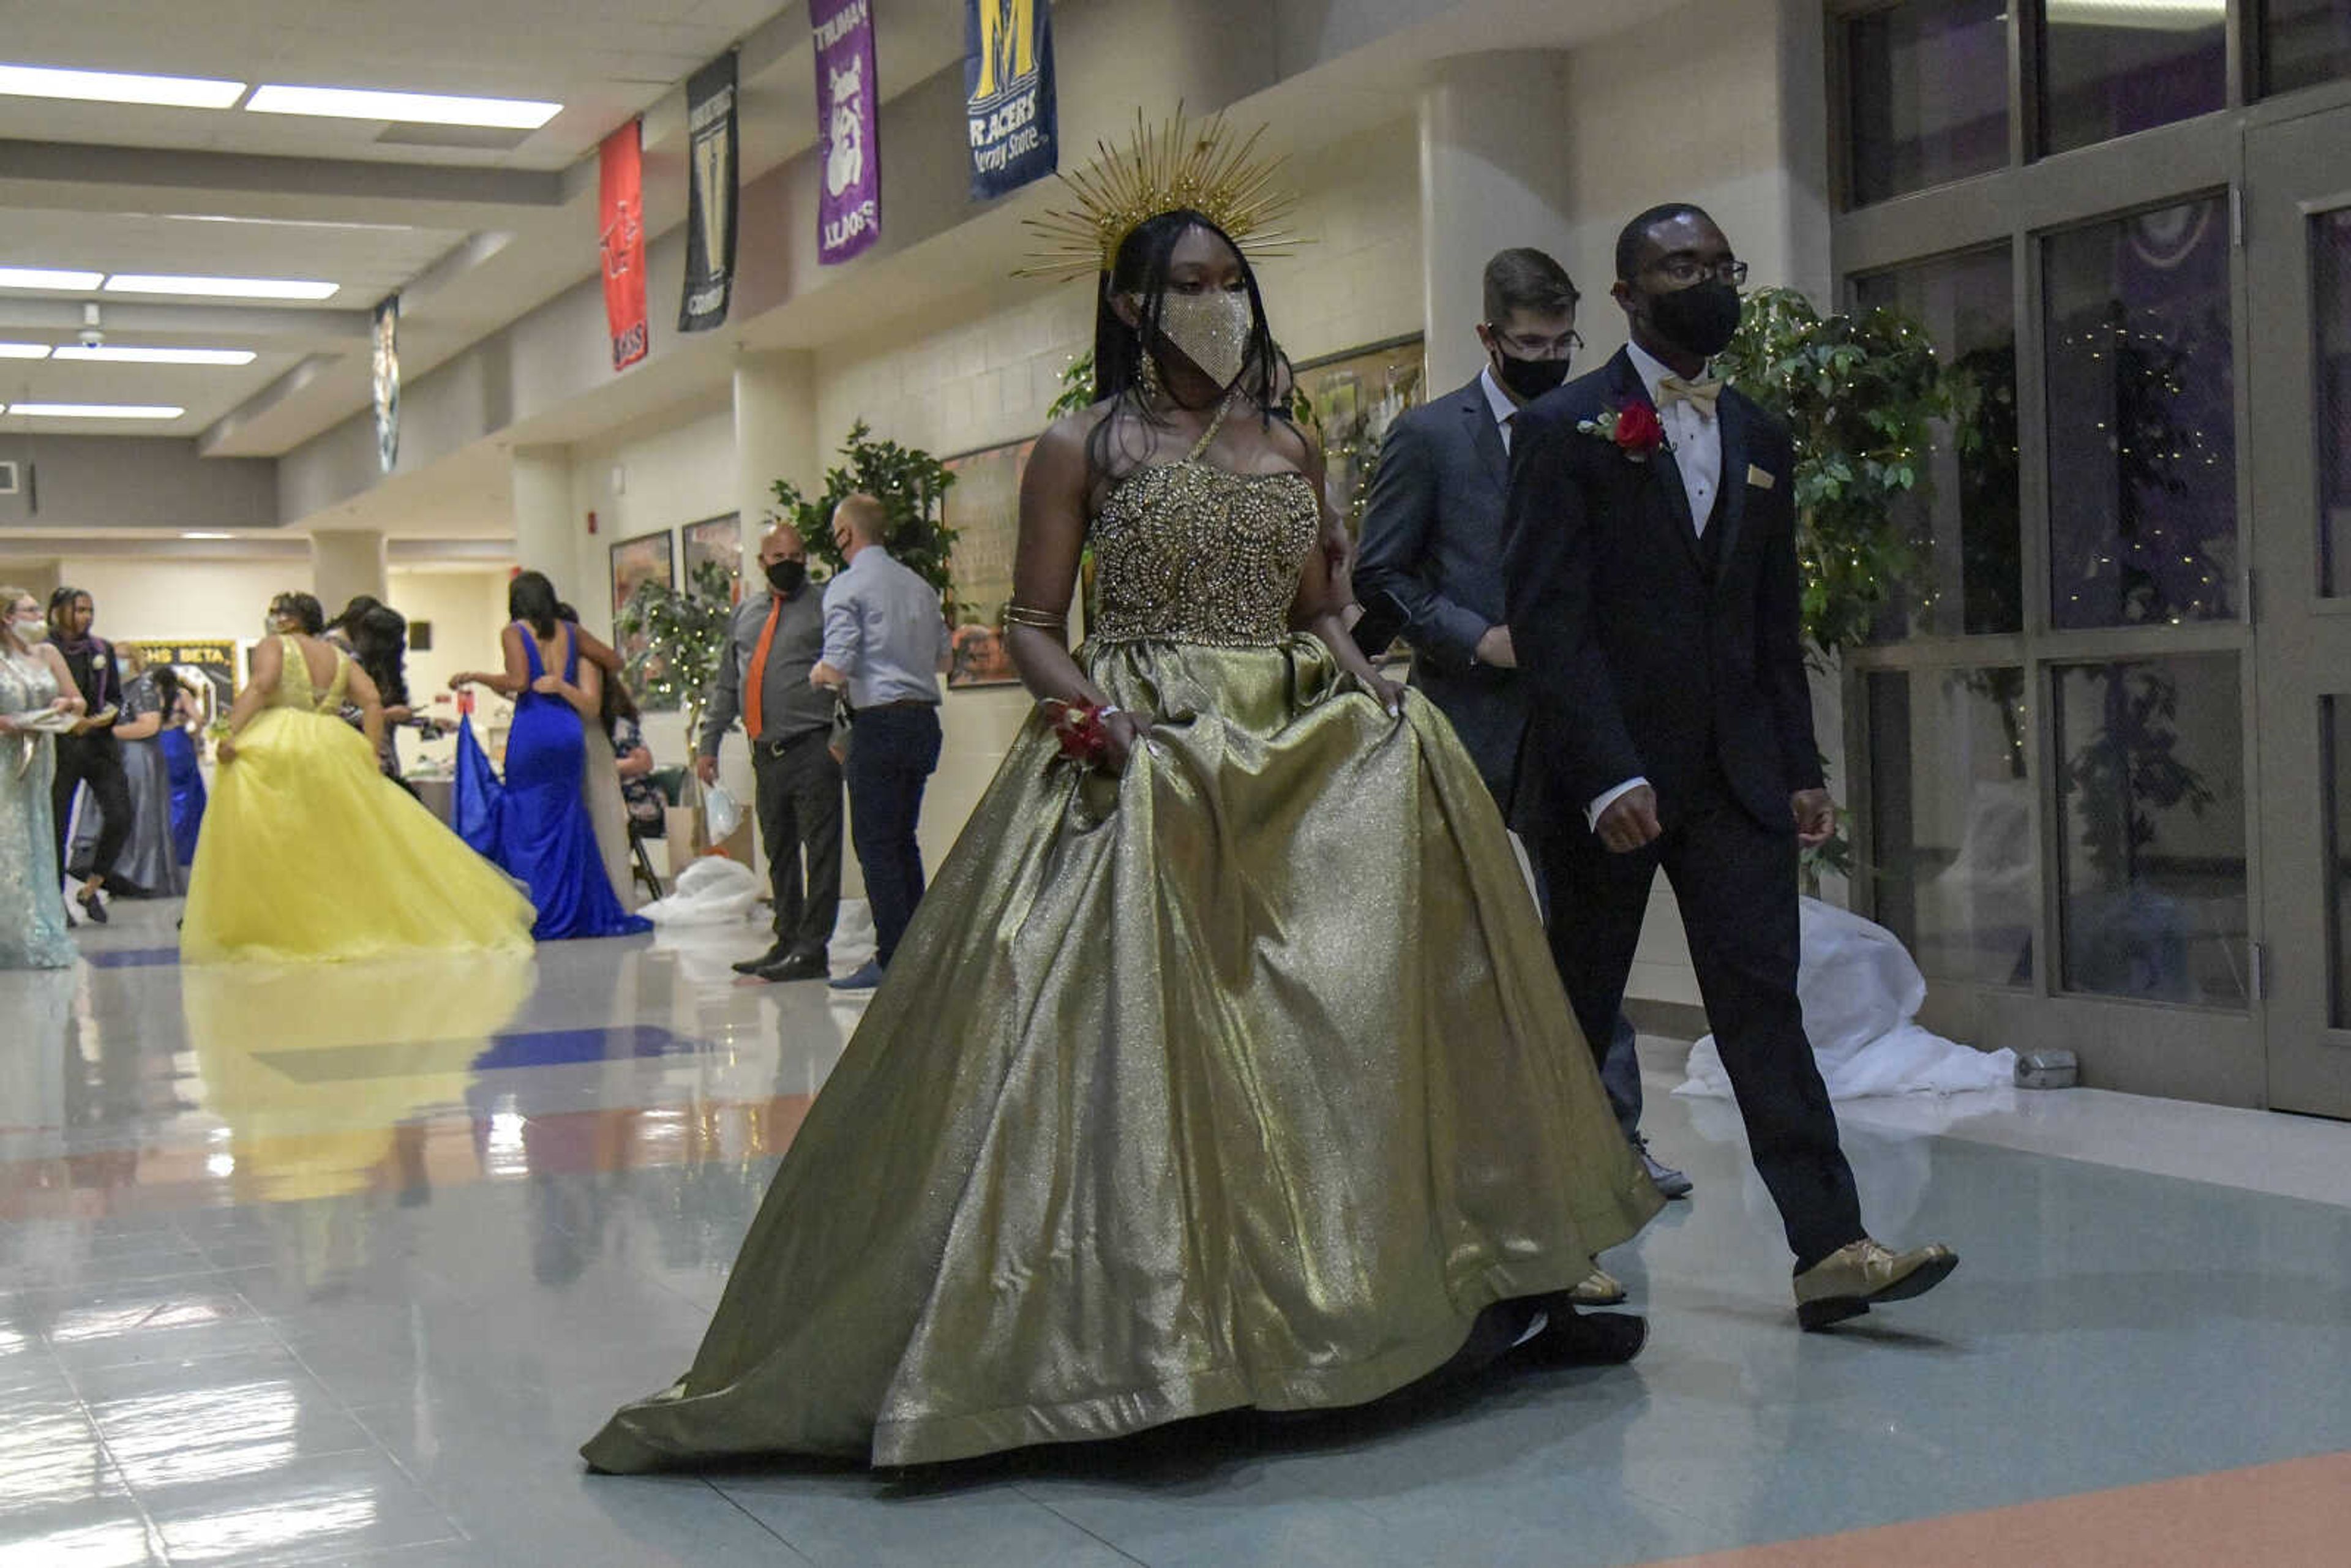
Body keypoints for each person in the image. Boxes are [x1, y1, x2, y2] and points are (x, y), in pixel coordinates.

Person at [583, 143, 1660, 1474]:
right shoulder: (1080, 442)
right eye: (1186, 282)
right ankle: (1154, 1328)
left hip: (1290, 733)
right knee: (1133, 1034)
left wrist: (1375, 681)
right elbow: (1035, 622)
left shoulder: (1292, 437)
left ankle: (1475, 1276)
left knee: (1371, 992)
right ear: (1134, 304)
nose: (1215, 299)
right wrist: (1092, 713)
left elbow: (1323, 603)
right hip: (1144, 729)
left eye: (1229, 278)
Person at [1501, 203, 1957, 1330]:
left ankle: (1832, 1248)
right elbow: (1551, 623)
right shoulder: (1568, 429)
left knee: (1763, 1005)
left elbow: (1766, 619)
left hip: (1737, 779)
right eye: (1677, 265)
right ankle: (1551, 1246)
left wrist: (1801, 762)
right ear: (1626, 294)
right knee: (1578, 1011)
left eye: (1716, 263)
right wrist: (1607, 774)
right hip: (1606, 788)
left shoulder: (1758, 431)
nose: (1703, 280)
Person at [1356, 246, 1693, 1233]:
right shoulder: (1430, 438)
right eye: (1529, 343)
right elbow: (1383, 574)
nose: (1548, 357)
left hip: (1581, 723)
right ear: (1488, 337)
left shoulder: (1598, 420)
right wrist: (1474, 636)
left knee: (1592, 936)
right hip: (1475, 721)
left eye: (1562, 341)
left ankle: (1611, 1142)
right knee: (1465, 942)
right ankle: (1467, 1152)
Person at [179, 591, 535, 964]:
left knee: (277, 838)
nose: (274, 619)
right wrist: (371, 750)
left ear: (290, 620)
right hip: (333, 745)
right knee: (336, 841)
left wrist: (224, 732)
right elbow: (371, 700)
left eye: (278, 613)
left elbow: (261, 685)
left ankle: (285, 923)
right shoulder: (337, 656)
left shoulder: (276, 646)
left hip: (278, 744)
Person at [448, 572, 651, 942]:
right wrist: (565, 681)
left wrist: (477, 675)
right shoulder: (571, 632)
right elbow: (614, 661)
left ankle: (538, 908)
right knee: (567, 818)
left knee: (528, 819)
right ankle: (574, 907)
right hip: (567, 730)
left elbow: (519, 682)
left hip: (533, 727)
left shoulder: (514, 632)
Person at [811, 495, 952, 991]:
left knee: (875, 844)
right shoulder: (919, 586)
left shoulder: (847, 587)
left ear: (845, 534)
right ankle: (919, 951)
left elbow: (837, 664)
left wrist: (818, 674)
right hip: (922, 724)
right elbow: (944, 659)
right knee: (903, 839)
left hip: (878, 725)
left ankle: (893, 958)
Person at [699, 523, 841, 983]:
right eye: (778, 555)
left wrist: (843, 739)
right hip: (766, 751)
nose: (789, 563)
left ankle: (813, 947)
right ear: (761, 562)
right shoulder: (747, 614)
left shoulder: (824, 606)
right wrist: (710, 741)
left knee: (820, 851)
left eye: (797, 556)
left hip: (814, 745)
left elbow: (849, 667)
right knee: (779, 849)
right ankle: (786, 939)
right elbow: (728, 683)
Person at [1, 585, 84, 967]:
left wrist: (65, 705)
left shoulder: (48, 653)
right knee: (9, 837)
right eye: (31, 611)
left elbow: (77, 698)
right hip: (5, 754)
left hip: (41, 754)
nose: (39, 618)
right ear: (8, 617)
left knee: (38, 834)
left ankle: (39, 925)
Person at [46, 587, 132, 925]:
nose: (84, 616)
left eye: (89, 610)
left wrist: (104, 717)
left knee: (121, 815)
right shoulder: (44, 650)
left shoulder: (102, 649)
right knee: (57, 825)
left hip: (99, 745)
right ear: (57, 612)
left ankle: (92, 886)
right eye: (78, 610)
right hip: (60, 746)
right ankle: (56, 900)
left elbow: (116, 698)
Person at [69, 655, 187, 897]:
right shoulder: (117, 690)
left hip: (135, 758)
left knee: (137, 814)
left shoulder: (142, 687)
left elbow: (149, 725)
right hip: (118, 756)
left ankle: (140, 876)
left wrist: (106, 732)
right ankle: (117, 874)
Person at [555, 603, 639, 911]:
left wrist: (559, 687)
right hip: (566, 745)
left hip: (589, 744)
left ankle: (608, 900)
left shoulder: (584, 658)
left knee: (599, 819)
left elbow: (590, 705)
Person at [160, 678, 208, 869]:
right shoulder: (182, 695)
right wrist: (193, 736)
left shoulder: (151, 695)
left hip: (158, 742)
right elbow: (198, 720)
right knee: (186, 796)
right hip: (178, 742)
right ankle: (182, 847)